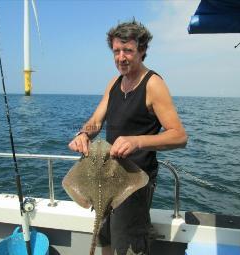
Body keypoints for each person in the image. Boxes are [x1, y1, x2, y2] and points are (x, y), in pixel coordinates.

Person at [68, 20, 188, 255]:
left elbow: (179, 136)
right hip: (105, 177)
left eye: (128, 51)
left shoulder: (153, 84)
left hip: (134, 183)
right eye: (116, 51)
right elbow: (96, 121)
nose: (121, 57)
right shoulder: (114, 82)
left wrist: (137, 141)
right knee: (105, 240)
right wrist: (83, 134)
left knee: (129, 247)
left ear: (142, 51)